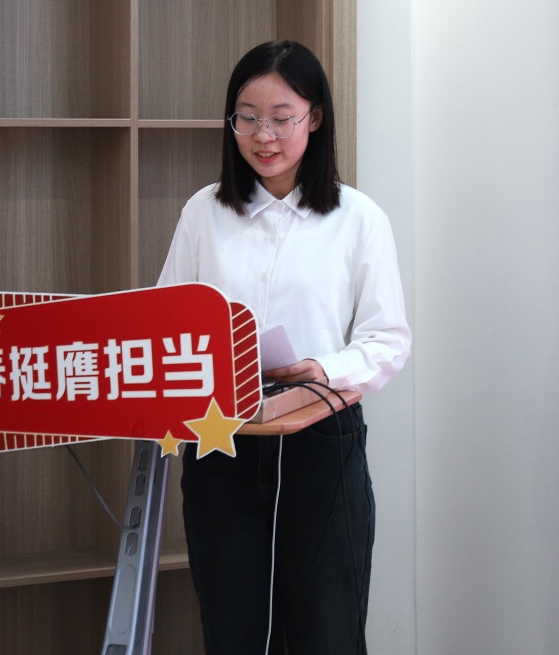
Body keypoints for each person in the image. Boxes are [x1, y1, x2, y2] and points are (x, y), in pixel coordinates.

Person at [157, 39, 411, 655]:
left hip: (320, 441)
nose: (262, 136)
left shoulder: (358, 218)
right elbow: (166, 320)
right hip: (222, 440)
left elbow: (387, 339)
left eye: (281, 118)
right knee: (234, 629)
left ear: (314, 118)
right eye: (247, 118)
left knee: (328, 630)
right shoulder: (203, 213)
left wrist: (320, 368)